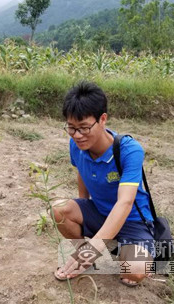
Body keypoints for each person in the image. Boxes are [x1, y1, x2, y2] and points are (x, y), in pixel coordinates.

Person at [53, 81, 154, 287]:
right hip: (100, 213)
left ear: (103, 119)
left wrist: (93, 247)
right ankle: (93, 253)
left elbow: (125, 204)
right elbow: (82, 170)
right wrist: (83, 204)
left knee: (134, 270)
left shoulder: (129, 150)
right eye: (71, 128)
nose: (77, 135)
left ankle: (115, 250)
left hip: (132, 222)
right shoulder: (76, 144)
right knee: (59, 211)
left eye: (84, 128)